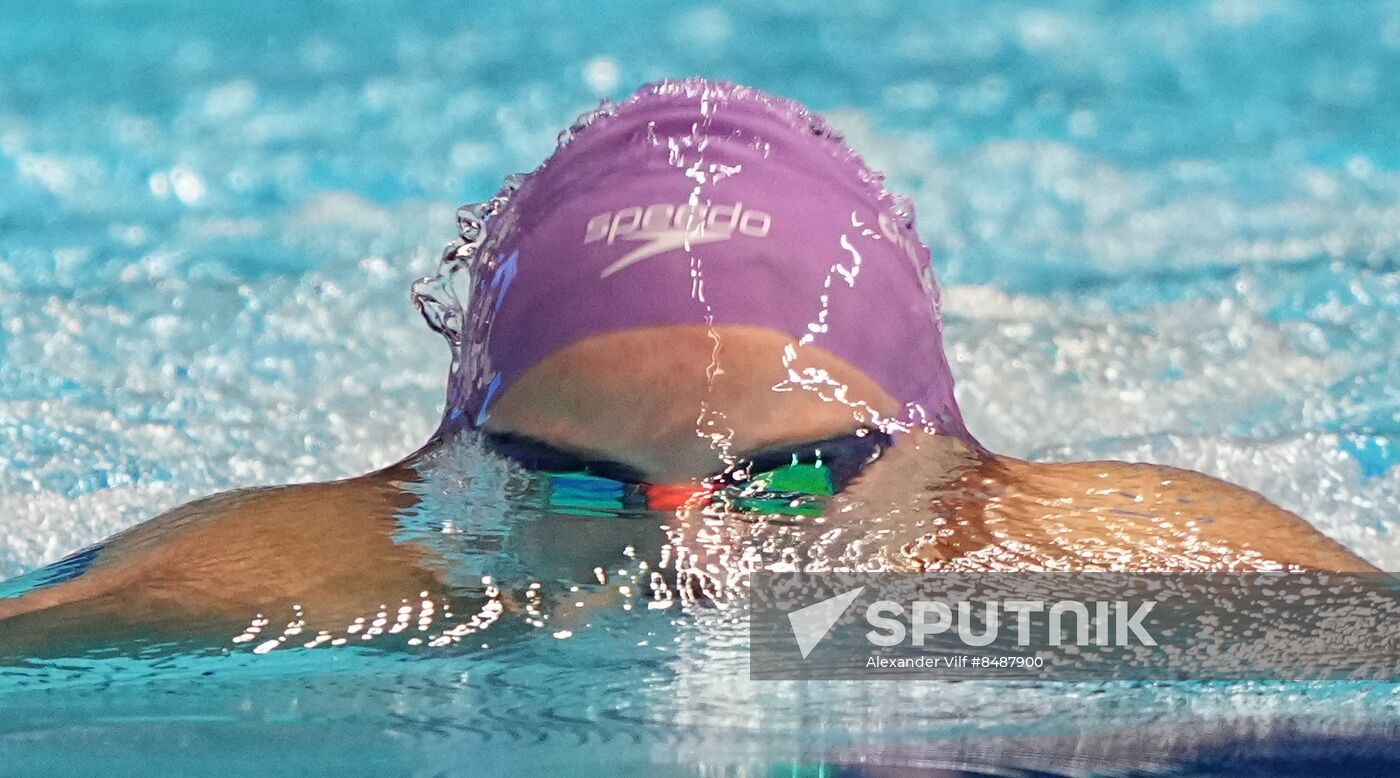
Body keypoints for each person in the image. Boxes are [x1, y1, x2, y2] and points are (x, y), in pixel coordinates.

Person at [0, 79, 1372, 657]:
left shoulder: (1069, 550)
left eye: (784, 479)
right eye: (584, 490)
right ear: (459, 466)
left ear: (943, 459)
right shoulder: (338, 570)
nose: (692, 571)